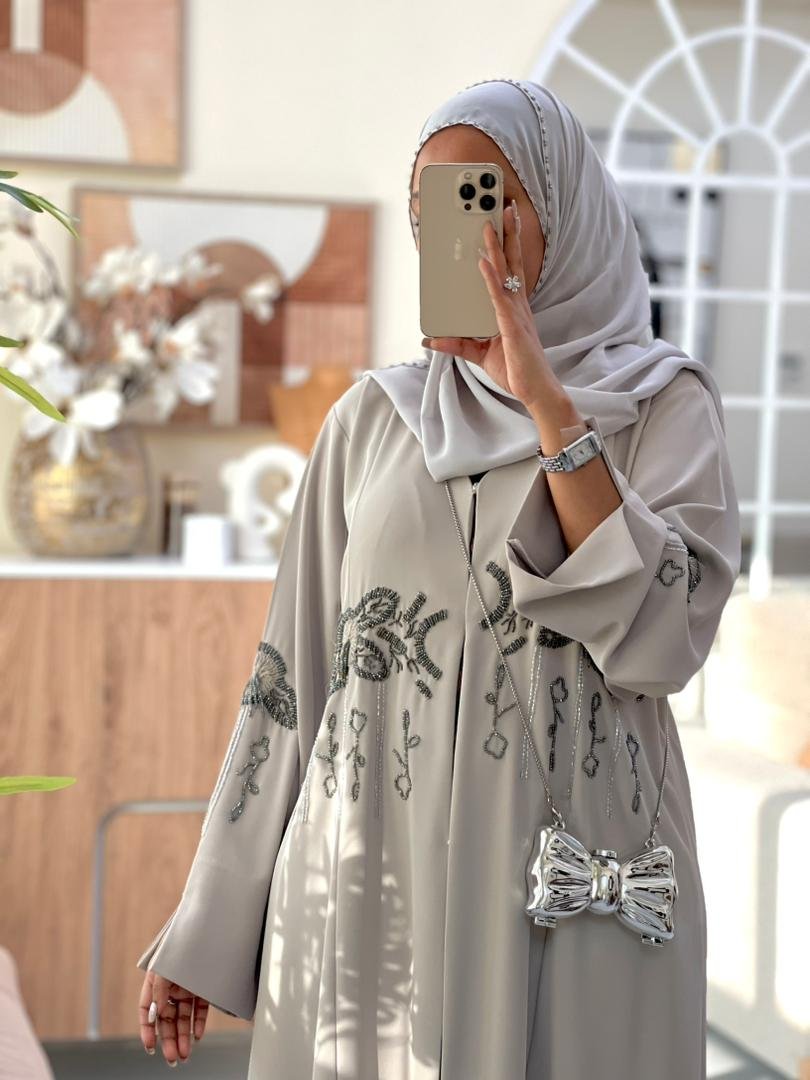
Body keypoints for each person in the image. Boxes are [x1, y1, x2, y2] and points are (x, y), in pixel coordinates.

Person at [136, 78, 741, 1078]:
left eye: (485, 200)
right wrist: (207, 920)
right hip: (371, 877)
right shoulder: (372, 420)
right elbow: (291, 678)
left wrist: (547, 404)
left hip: (576, 883)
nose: (460, 240)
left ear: (565, 214)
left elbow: (662, 642)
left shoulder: (662, 406)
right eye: (433, 212)